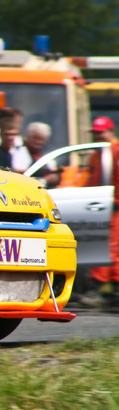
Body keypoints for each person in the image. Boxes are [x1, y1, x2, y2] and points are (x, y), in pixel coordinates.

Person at [85, 117, 119, 308]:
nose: (98, 136)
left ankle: (98, 288)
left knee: (109, 246)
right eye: (95, 133)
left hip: (114, 205)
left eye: (101, 132)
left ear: (110, 131)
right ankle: (114, 289)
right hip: (100, 204)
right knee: (108, 246)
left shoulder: (116, 150)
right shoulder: (97, 154)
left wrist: (115, 202)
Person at [16, 121, 59, 186]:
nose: (38, 142)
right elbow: (17, 172)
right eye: (36, 138)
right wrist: (43, 178)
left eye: (41, 140)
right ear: (28, 136)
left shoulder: (44, 153)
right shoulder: (20, 151)